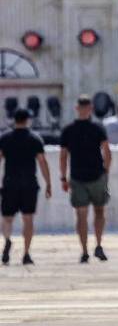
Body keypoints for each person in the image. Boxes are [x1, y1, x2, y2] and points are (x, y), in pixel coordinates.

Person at [59, 95, 112, 263]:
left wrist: (63, 177)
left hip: (77, 176)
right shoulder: (98, 128)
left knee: (81, 215)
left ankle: (84, 250)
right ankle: (98, 244)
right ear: (91, 109)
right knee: (99, 211)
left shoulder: (68, 130)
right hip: (96, 175)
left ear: (77, 108)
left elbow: (63, 156)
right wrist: (106, 171)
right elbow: (107, 151)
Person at [0, 110, 51, 266]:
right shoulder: (35, 139)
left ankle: (8, 240)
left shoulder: (5, 138)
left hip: (10, 183)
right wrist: (48, 183)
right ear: (28, 120)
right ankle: (26, 253)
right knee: (28, 218)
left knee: (8, 218)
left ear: (14, 120)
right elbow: (42, 162)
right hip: (29, 183)